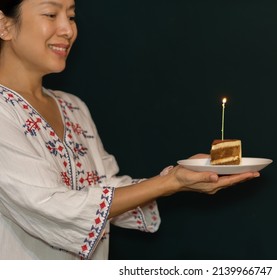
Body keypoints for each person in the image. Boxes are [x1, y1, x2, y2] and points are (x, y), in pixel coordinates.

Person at [0, 0, 260, 260]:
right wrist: (170, 182)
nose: (67, 29)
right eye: (51, 14)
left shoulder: (72, 106)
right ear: (4, 25)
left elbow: (106, 187)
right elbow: (52, 206)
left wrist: (182, 178)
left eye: (71, 16)